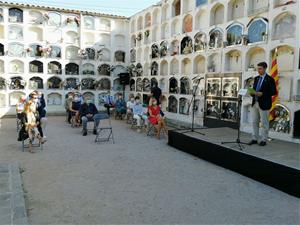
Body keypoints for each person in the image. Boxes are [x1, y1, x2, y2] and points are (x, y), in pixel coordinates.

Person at [249, 62, 277, 146]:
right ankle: (254, 138)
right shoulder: (256, 78)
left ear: (265, 69)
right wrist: (252, 93)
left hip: (264, 104)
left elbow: (273, 91)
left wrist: (263, 93)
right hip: (255, 103)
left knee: (264, 123)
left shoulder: (270, 79)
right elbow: (254, 89)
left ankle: (264, 139)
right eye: (258, 68)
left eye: (260, 68)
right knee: (254, 122)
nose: (258, 70)